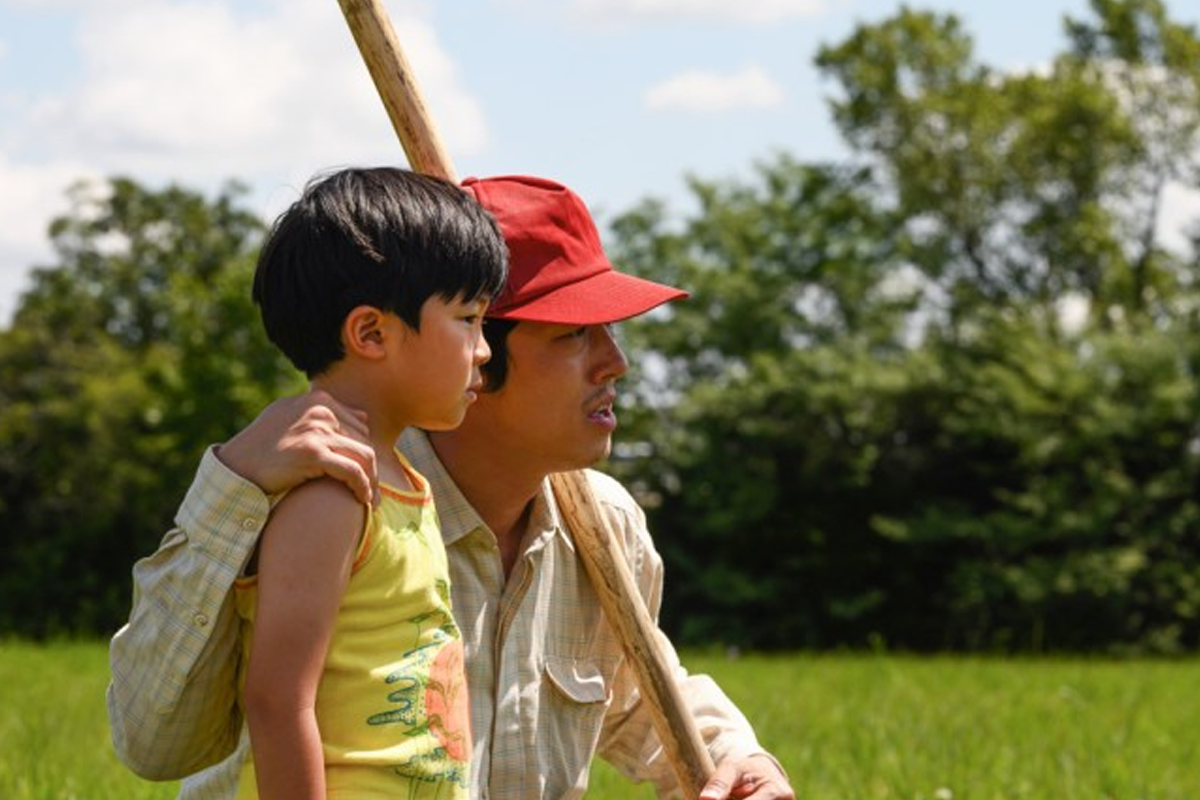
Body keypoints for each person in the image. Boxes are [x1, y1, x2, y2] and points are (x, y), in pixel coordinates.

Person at [108, 174, 795, 800]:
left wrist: (737, 760)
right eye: (575, 335)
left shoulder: (605, 525)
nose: (616, 362)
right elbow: (154, 740)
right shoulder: (324, 487)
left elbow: (638, 693)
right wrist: (230, 488)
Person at [213, 166, 506, 800]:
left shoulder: (404, 482)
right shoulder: (330, 493)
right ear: (371, 332)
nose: (484, 350)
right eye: (468, 320)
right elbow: (275, 700)